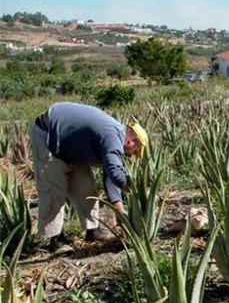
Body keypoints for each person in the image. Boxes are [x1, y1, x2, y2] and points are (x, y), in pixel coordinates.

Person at [29, 102, 148, 255]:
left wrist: (120, 209)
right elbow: (115, 173)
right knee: (53, 191)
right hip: (48, 137)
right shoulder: (113, 138)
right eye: (135, 151)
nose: (131, 155)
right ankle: (55, 239)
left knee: (87, 188)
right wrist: (137, 190)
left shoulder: (114, 137)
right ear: (130, 141)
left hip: (70, 145)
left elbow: (110, 175)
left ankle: (93, 230)